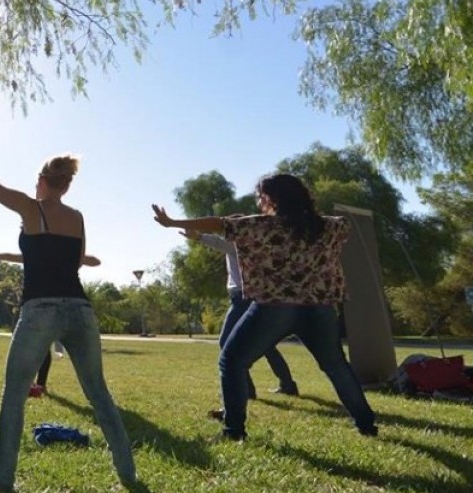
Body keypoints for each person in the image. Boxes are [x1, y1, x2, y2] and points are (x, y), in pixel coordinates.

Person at [0, 130, 135, 491]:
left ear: (42, 182)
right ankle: (128, 473)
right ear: (65, 185)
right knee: (99, 393)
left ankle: (3, 479)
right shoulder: (77, 217)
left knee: (15, 392)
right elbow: (76, 260)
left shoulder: (31, 209)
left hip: (41, 310)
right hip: (80, 309)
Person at [152, 172, 378, 441]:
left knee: (232, 360)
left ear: (271, 198)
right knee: (336, 365)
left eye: (261, 197)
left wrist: (171, 222)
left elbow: (219, 224)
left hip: (275, 306)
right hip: (319, 307)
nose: (260, 202)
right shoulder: (332, 226)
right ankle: (366, 423)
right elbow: (343, 230)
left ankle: (234, 431)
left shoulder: (261, 226)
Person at [182, 229, 299, 402]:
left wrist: (198, 236)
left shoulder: (237, 241)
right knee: (266, 345)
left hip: (242, 298)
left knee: (226, 342)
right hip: (255, 295)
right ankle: (288, 385)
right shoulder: (257, 243)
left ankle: (246, 390)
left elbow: (217, 242)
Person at [0, 244, 102, 397]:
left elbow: (95, 261)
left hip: (62, 307)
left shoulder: (59, 256)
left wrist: (72, 257)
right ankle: (39, 385)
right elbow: (11, 256)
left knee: (71, 356)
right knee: (43, 347)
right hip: (47, 308)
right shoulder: (36, 255)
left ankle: (41, 384)